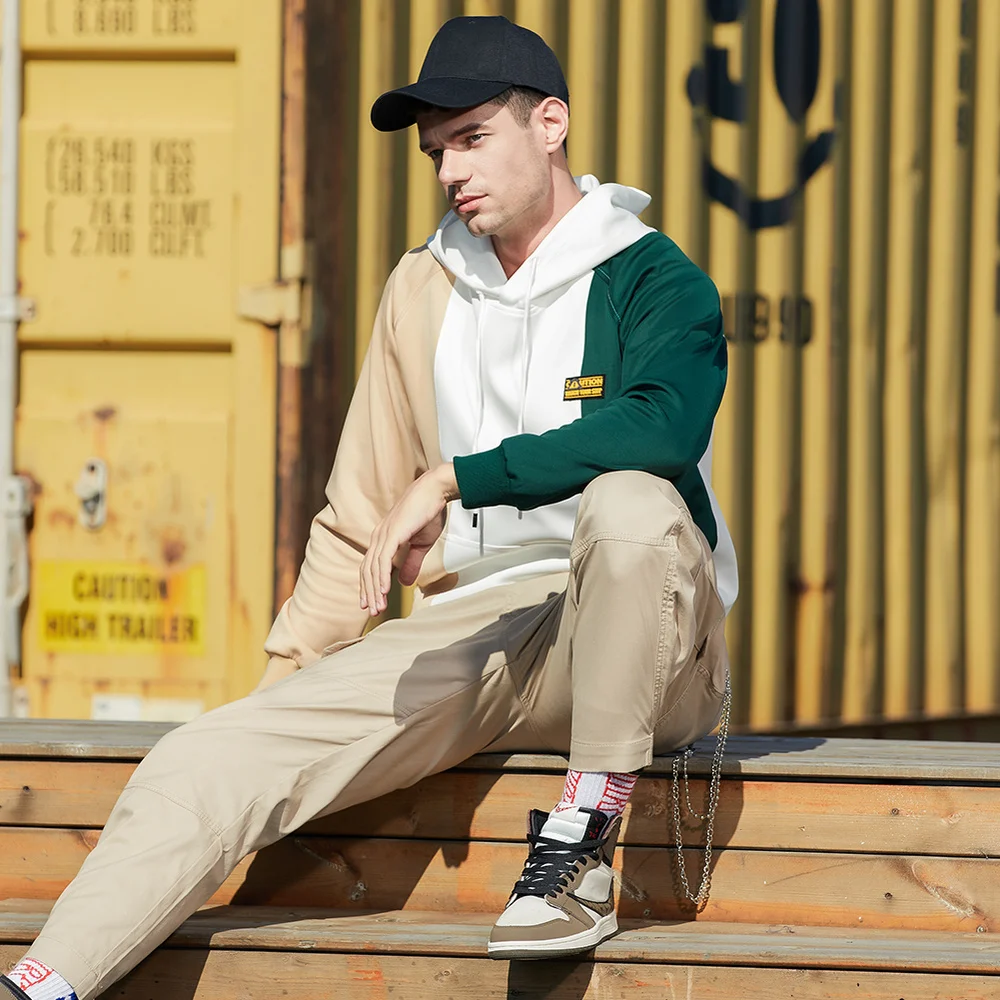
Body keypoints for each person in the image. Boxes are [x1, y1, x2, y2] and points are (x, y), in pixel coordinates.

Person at [1, 14, 738, 1000]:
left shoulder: (653, 276)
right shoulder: (424, 286)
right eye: (437, 153)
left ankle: (582, 851)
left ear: (550, 124)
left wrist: (457, 478)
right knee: (202, 757)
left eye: (472, 138)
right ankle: (44, 983)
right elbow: (356, 514)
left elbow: (661, 431)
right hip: (476, 629)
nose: (450, 171)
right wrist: (280, 697)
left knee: (630, 505)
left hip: (646, 639)